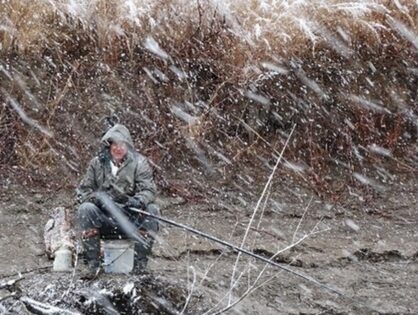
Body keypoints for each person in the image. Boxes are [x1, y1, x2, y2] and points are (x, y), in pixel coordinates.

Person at [76, 124, 160, 277]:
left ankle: (139, 267)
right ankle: (92, 265)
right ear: (109, 146)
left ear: (128, 145)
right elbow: (83, 192)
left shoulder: (140, 163)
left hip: (131, 221)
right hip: (104, 221)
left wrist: (138, 201)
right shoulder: (96, 163)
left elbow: (149, 190)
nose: (118, 148)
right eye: (114, 144)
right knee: (85, 209)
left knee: (152, 210)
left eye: (122, 144)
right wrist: (99, 200)